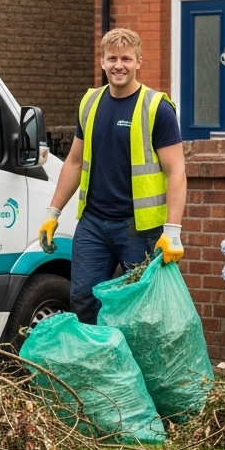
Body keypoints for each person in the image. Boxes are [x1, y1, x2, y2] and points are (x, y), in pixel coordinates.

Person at [38, 28, 186, 324]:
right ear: (102, 61)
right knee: (82, 297)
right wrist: (53, 213)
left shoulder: (156, 108)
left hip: (139, 229)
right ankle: (97, 365)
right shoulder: (90, 103)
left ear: (139, 62)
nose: (119, 65)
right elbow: (74, 162)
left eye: (127, 59)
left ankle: (138, 367)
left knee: (141, 309)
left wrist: (172, 232)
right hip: (94, 223)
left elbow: (176, 171)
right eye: (112, 58)